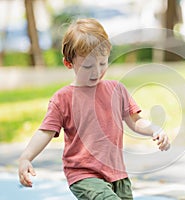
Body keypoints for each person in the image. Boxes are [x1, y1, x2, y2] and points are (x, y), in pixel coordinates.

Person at [18, 18, 170, 200]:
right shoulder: (62, 99)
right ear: (69, 63)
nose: (96, 72)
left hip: (117, 173)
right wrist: (26, 157)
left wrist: (155, 129)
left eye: (102, 63)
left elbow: (136, 122)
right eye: (88, 66)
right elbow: (45, 132)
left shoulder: (116, 90)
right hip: (84, 175)